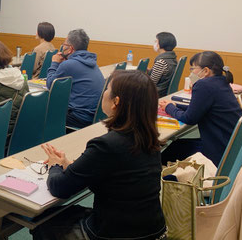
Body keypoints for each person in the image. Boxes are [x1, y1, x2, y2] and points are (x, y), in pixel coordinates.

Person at [33, 70, 167, 240]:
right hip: (152, 231)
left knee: (43, 221)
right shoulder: (148, 138)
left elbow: (59, 187)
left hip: (114, 234)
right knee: (67, 213)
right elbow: (111, 174)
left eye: (107, 89)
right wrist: (69, 165)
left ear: (116, 102)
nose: (103, 92)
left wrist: (55, 165)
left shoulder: (107, 145)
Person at [159, 51, 242, 166]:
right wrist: (177, 106)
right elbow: (204, 107)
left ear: (206, 71)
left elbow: (189, 118)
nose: (191, 73)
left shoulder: (204, 85)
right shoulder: (221, 81)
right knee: (177, 144)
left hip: (219, 149)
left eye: (192, 69)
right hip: (232, 145)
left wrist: (169, 107)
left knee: (169, 151)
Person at [46, 29, 104, 129]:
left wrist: (55, 63)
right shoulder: (93, 63)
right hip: (95, 117)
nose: (62, 47)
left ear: (70, 49)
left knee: (42, 113)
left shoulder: (69, 65)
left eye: (64, 44)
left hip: (80, 119)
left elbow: (51, 85)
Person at [149, 32, 178, 97]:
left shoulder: (161, 62)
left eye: (156, 41)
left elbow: (151, 83)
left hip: (157, 94)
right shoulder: (172, 58)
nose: (154, 44)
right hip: (164, 91)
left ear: (162, 43)